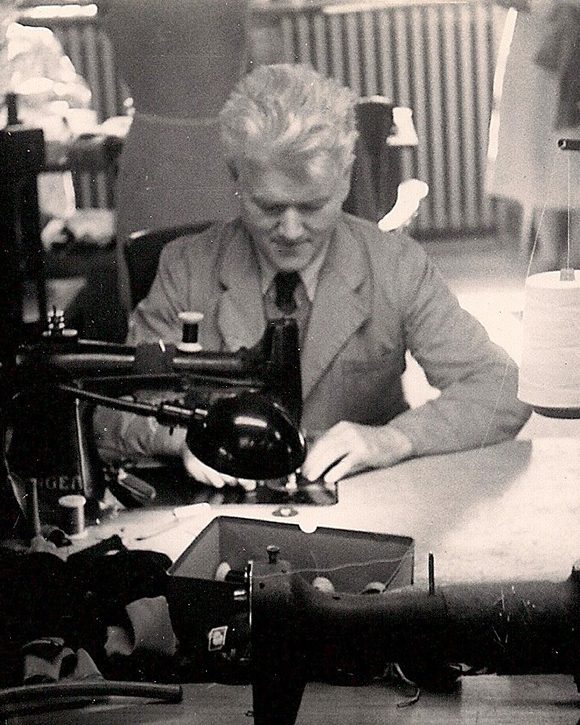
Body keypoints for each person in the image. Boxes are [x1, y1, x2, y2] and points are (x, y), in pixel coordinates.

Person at [94, 63, 531, 489]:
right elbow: (112, 412)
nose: (290, 231)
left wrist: (394, 439)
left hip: (366, 505)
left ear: (344, 180)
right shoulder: (185, 267)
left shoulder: (395, 264)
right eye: (268, 207)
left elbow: (501, 387)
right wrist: (186, 439)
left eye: (312, 206)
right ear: (236, 181)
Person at [489, 0, 580, 268]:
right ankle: (552, 256)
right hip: (536, 45)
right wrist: (546, 6)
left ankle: (573, 260)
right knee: (539, 154)